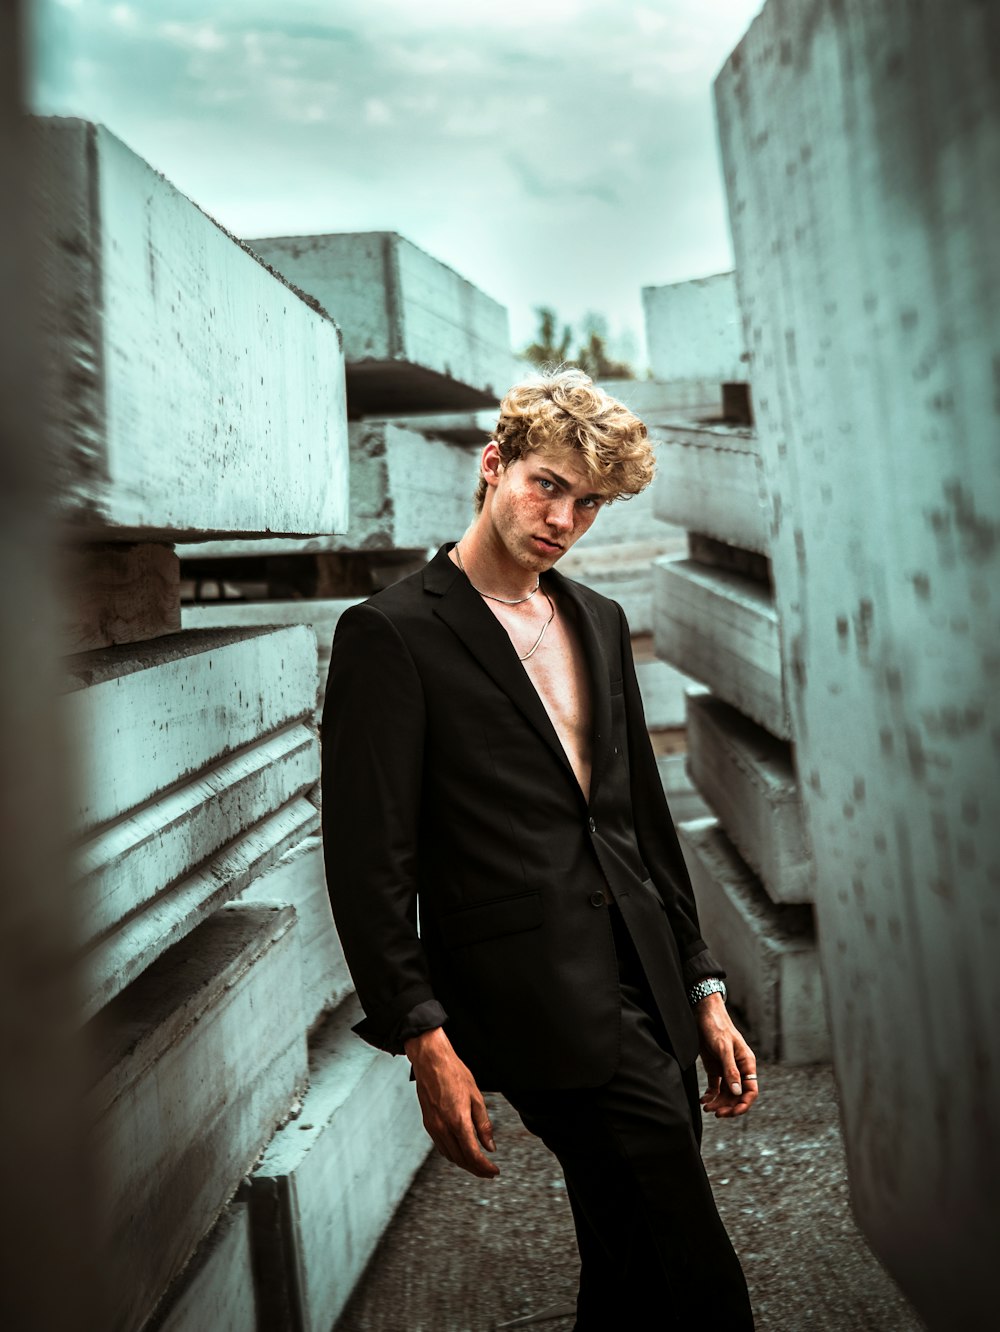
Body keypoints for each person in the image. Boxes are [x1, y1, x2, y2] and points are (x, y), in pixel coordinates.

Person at [321, 368, 757, 1328]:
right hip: (528, 994)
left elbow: (640, 820)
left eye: (589, 501)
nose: (564, 516)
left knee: (630, 1259)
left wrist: (702, 986)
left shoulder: (596, 620)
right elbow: (367, 860)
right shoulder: (389, 634)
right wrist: (420, 1035)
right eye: (547, 483)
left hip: (643, 979)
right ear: (493, 464)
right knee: (695, 1277)